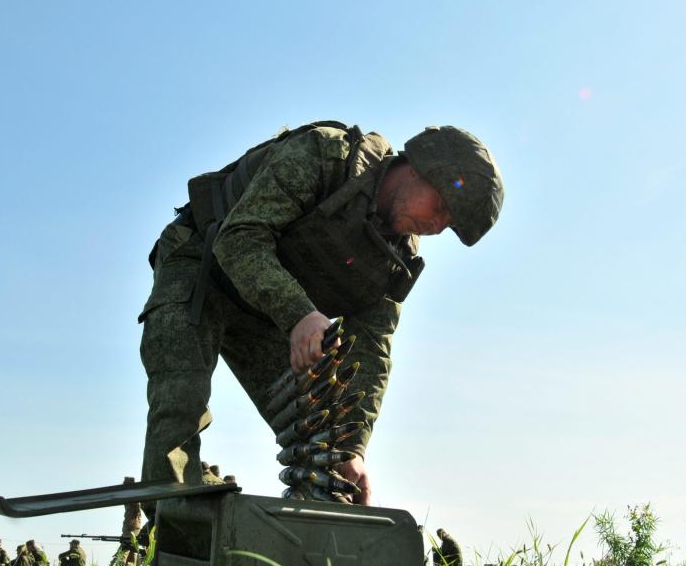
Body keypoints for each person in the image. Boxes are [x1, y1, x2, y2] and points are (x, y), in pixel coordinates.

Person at [139, 121, 503, 506]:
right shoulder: (325, 157)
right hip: (203, 262)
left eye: (450, 224)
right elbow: (240, 237)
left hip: (269, 312)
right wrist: (299, 314)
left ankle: (319, 549)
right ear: (420, 168)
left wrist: (354, 450)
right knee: (179, 402)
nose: (438, 224)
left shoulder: (397, 261)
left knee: (324, 445)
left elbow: (372, 351)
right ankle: (183, 533)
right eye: (443, 205)